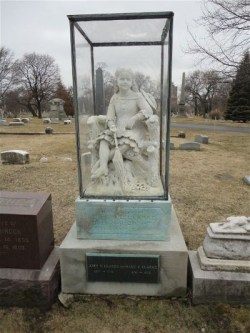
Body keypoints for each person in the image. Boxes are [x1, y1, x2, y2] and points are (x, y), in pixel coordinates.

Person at [91, 68, 153, 180]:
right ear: (117, 81)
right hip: (118, 129)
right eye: (122, 79)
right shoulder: (114, 98)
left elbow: (149, 111)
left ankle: (100, 163)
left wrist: (135, 118)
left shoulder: (137, 96)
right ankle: (103, 167)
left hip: (134, 130)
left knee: (125, 144)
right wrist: (111, 125)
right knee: (104, 140)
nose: (125, 81)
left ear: (132, 82)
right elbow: (110, 116)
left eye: (128, 79)